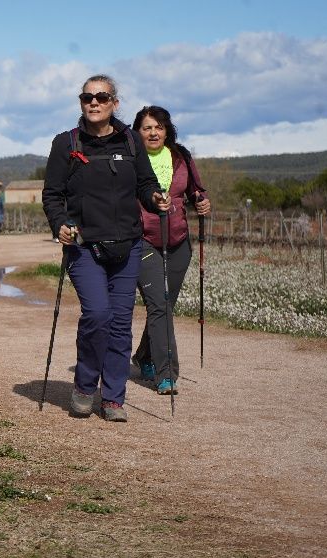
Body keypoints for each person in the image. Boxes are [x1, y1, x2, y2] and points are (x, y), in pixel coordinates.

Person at [42, 74, 169, 422]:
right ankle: (85, 387)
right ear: (81, 102)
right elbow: (52, 195)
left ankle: (113, 397)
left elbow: (145, 183)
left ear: (115, 102)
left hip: (127, 246)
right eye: (87, 97)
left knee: (119, 324)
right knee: (97, 315)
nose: (93, 102)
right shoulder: (66, 143)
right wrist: (60, 225)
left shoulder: (131, 140)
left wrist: (155, 196)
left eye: (101, 97)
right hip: (84, 247)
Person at [131, 105, 211, 395]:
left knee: (164, 306)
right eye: (147, 128)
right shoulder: (131, 159)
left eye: (159, 127)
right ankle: (167, 375)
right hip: (142, 240)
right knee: (159, 304)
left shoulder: (182, 156)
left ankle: (143, 356)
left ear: (167, 130)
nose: (153, 133)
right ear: (137, 132)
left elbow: (196, 191)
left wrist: (202, 201)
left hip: (178, 241)